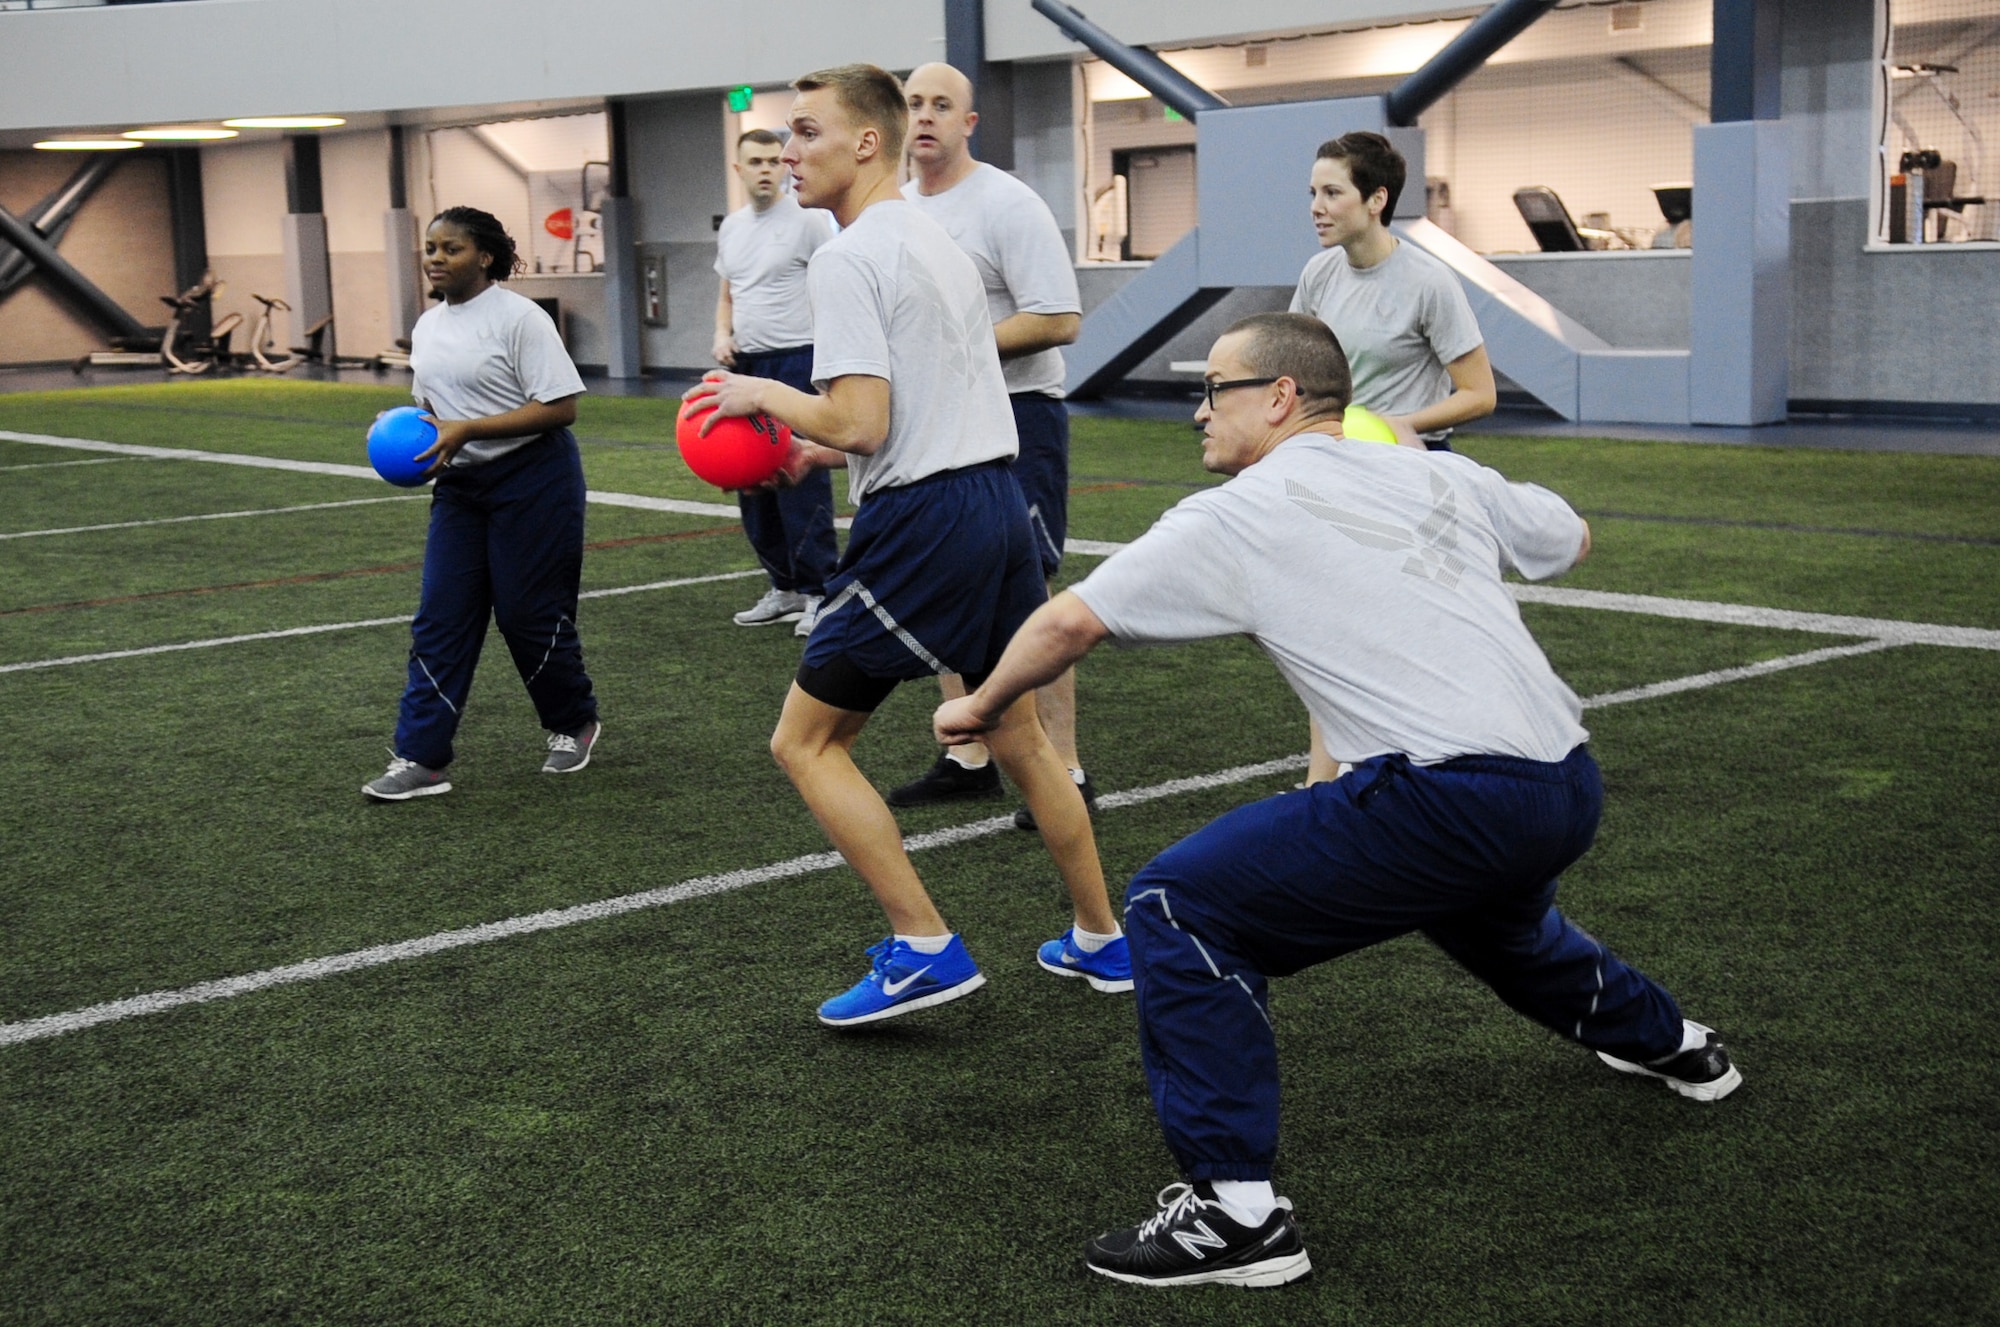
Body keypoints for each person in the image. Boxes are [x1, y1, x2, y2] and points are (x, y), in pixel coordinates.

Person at [935, 312, 1742, 1288]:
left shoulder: (1237, 509)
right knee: (1505, 931)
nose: (1196, 411)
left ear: (1276, 397)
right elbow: (1569, 537)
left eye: (1213, 389)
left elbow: (1067, 620)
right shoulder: (1429, 471)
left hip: (1447, 797)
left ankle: (1237, 1216)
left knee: (1174, 905)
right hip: (1563, 780)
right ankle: (1679, 1045)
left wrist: (975, 707)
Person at [682, 64, 1127, 1026]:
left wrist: (764, 397)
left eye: (806, 133)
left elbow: (864, 419)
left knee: (805, 742)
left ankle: (925, 947)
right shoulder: (926, 234)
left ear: (866, 143)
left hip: (924, 522)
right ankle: (1102, 936)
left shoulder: (844, 256)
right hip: (994, 500)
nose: (788, 154)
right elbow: (912, 394)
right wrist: (809, 447)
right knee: (1018, 733)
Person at [885, 62, 1091, 833]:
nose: (927, 116)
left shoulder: (1007, 202)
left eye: (944, 104)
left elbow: (1058, 317)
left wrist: (950, 347)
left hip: (1018, 417)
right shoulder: (894, 212)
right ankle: (968, 755)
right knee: (947, 581)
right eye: (914, 103)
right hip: (938, 420)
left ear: (970, 122)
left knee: (1026, 595)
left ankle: (1065, 768)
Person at [362, 207, 600, 801]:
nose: (435, 258)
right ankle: (420, 757)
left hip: (535, 477)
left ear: (485, 257)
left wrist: (465, 429)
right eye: (431, 248)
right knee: (441, 618)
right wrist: (418, 436)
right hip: (462, 487)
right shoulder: (427, 325)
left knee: (528, 615)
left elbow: (562, 406)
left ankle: (573, 723)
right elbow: (432, 412)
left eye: (451, 249)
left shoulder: (520, 319)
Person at [1292, 131, 1499, 785]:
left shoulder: (1428, 284)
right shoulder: (1317, 274)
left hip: (1411, 478)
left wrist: (1394, 424)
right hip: (1334, 473)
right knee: (1328, 637)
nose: (1317, 207)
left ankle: (1444, 776)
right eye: (1313, 193)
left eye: (1332, 192)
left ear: (1377, 199)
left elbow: (1479, 394)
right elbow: (1296, 366)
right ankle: (1320, 787)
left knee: (1401, 641)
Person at [713, 127, 840, 638]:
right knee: (750, 478)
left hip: (798, 364)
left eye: (773, 159)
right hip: (747, 366)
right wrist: (722, 334)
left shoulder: (810, 221)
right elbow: (726, 294)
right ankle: (783, 585)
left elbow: (834, 286)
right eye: (756, 161)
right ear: (739, 170)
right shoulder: (733, 228)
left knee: (800, 477)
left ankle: (819, 592)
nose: (767, 168)